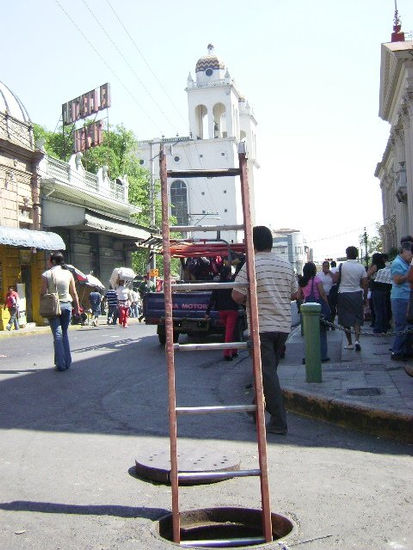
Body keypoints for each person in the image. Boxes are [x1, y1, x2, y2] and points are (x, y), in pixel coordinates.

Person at [232, 226, 298, 435]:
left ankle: (279, 421)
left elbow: (236, 295)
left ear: (253, 243)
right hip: (283, 327)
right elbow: (296, 294)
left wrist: (252, 297)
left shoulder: (251, 265)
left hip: (261, 327)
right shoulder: (285, 264)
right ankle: (256, 408)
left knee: (267, 373)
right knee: (268, 371)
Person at [41, 251, 79, 371]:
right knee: (64, 333)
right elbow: (74, 292)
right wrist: (77, 307)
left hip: (53, 307)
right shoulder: (68, 273)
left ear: (52, 261)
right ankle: (66, 361)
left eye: (49, 260)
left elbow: (43, 292)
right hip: (67, 305)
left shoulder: (47, 274)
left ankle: (60, 364)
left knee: (57, 335)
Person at [336, 246, 368, 351]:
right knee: (357, 319)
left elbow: (335, 280)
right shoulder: (361, 267)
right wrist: (365, 297)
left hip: (343, 293)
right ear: (357, 254)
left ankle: (349, 343)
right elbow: (365, 284)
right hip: (357, 293)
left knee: (345, 319)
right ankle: (357, 340)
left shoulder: (341, 266)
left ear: (347, 254)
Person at [297, 262, 330, 362]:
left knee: (308, 334)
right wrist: (327, 305)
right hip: (317, 308)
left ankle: (309, 356)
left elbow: (298, 296)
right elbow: (323, 294)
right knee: (322, 332)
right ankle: (323, 355)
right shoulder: (316, 280)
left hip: (306, 309)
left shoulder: (302, 281)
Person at [205, 265, 240, 361]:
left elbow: (212, 299)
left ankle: (234, 350)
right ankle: (228, 353)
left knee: (229, 331)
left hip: (221, 311)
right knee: (231, 332)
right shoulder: (233, 284)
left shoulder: (218, 285)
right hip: (232, 310)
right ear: (229, 273)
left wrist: (207, 312)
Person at [390, 241, 413, 360]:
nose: (411, 255)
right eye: (410, 253)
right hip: (400, 297)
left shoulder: (406, 262)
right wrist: (409, 273)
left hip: (406, 296)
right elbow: (397, 280)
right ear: (404, 251)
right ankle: (397, 350)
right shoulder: (397, 263)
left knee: (408, 325)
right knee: (401, 325)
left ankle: (407, 350)